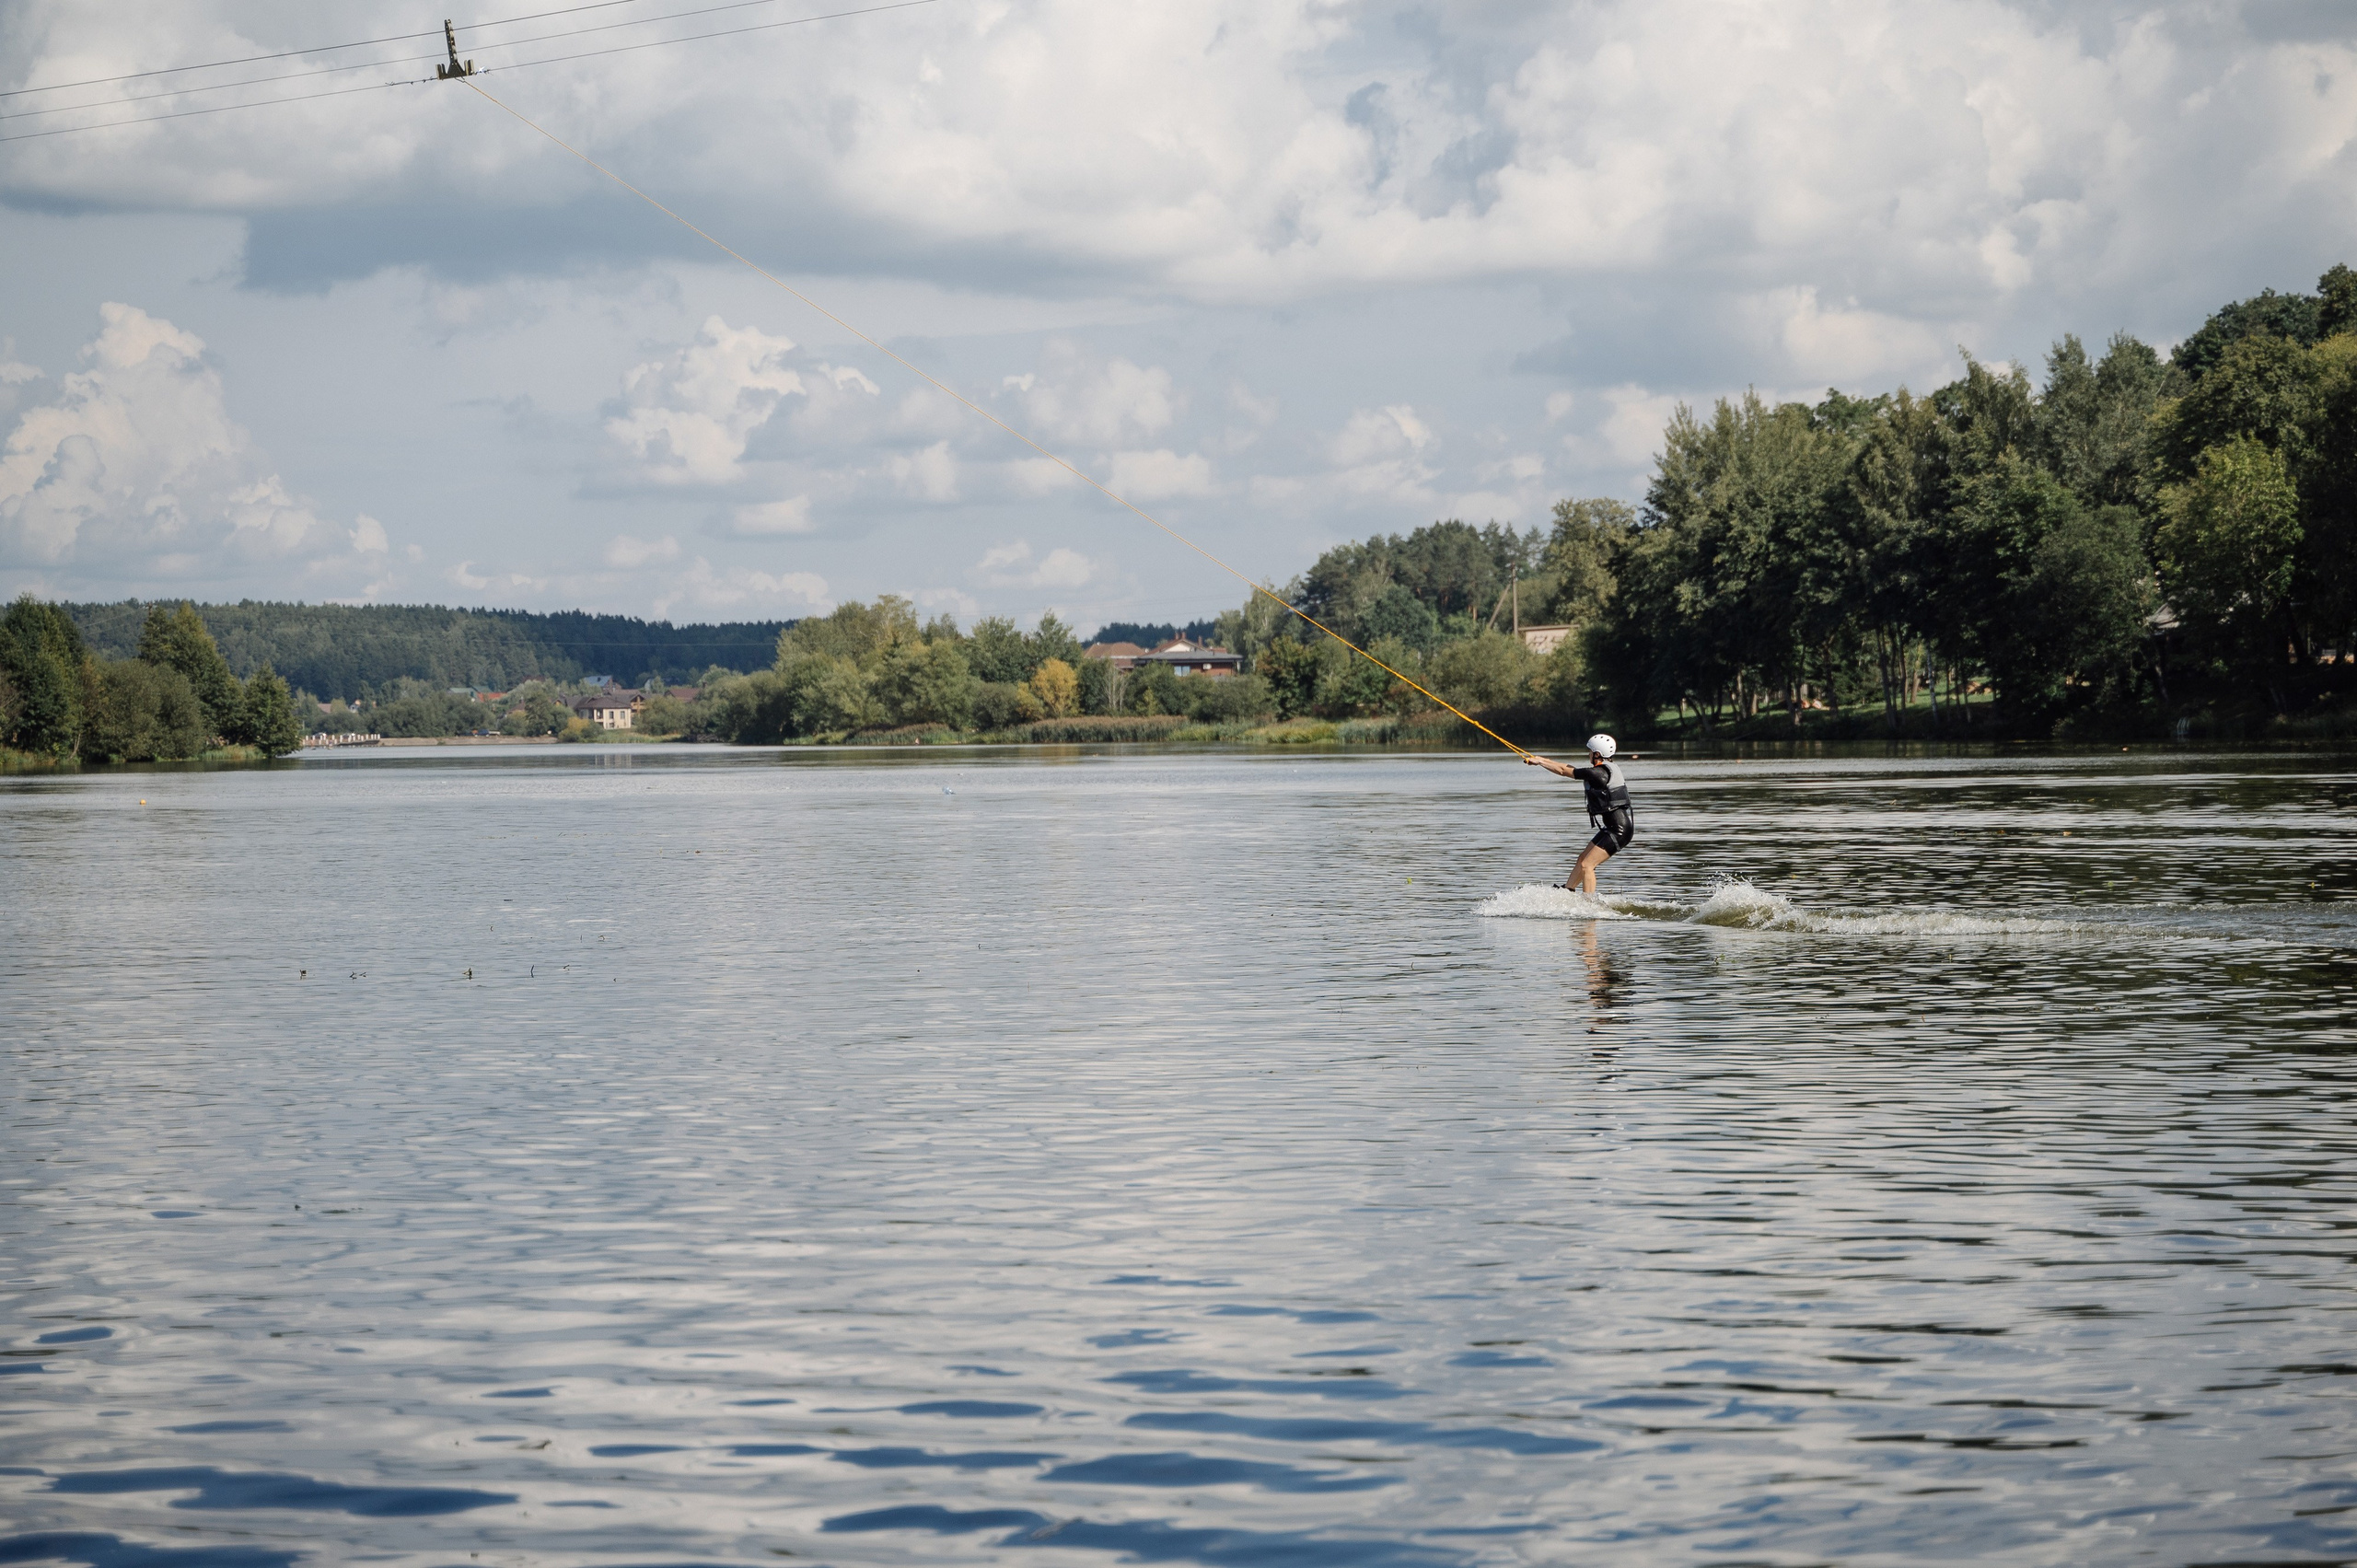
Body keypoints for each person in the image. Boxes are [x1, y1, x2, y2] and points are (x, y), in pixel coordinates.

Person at [1523, 733, 1634, 896]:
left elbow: (1563, 771)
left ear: (1597, 754)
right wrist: (1542, 760)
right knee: (1582, 859)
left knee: (1587, 865)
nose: (1588, 754)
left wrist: (1540, 762)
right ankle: (1568, 891)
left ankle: (1588, 903)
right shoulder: (1607, 769)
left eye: (1590, 751)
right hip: (1612, 827)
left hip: (1619, 830)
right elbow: (1567, 767)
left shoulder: (1598, 774)